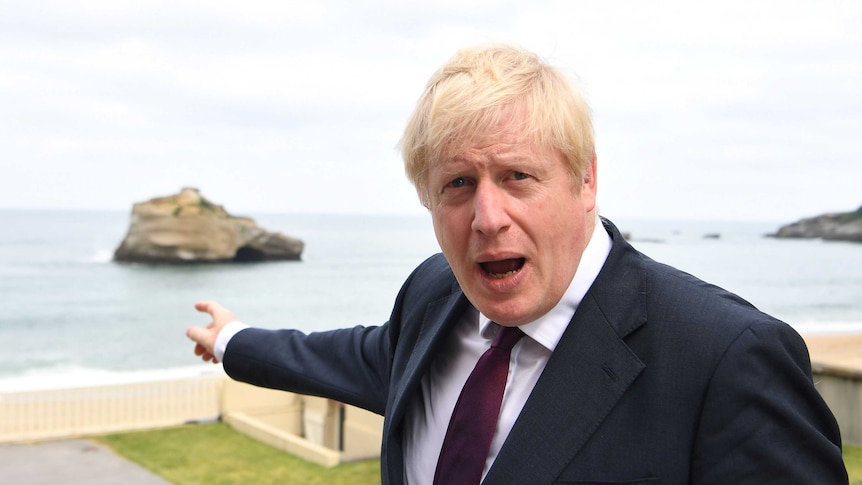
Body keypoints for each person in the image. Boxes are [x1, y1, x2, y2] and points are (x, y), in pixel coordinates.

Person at [186, 44, 847, 484]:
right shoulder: (433, 293)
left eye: (518, 175)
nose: (488, 217)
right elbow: (359, 357)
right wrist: (233, 340)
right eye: (458, 184)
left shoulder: (724, 357)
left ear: (585, 182)